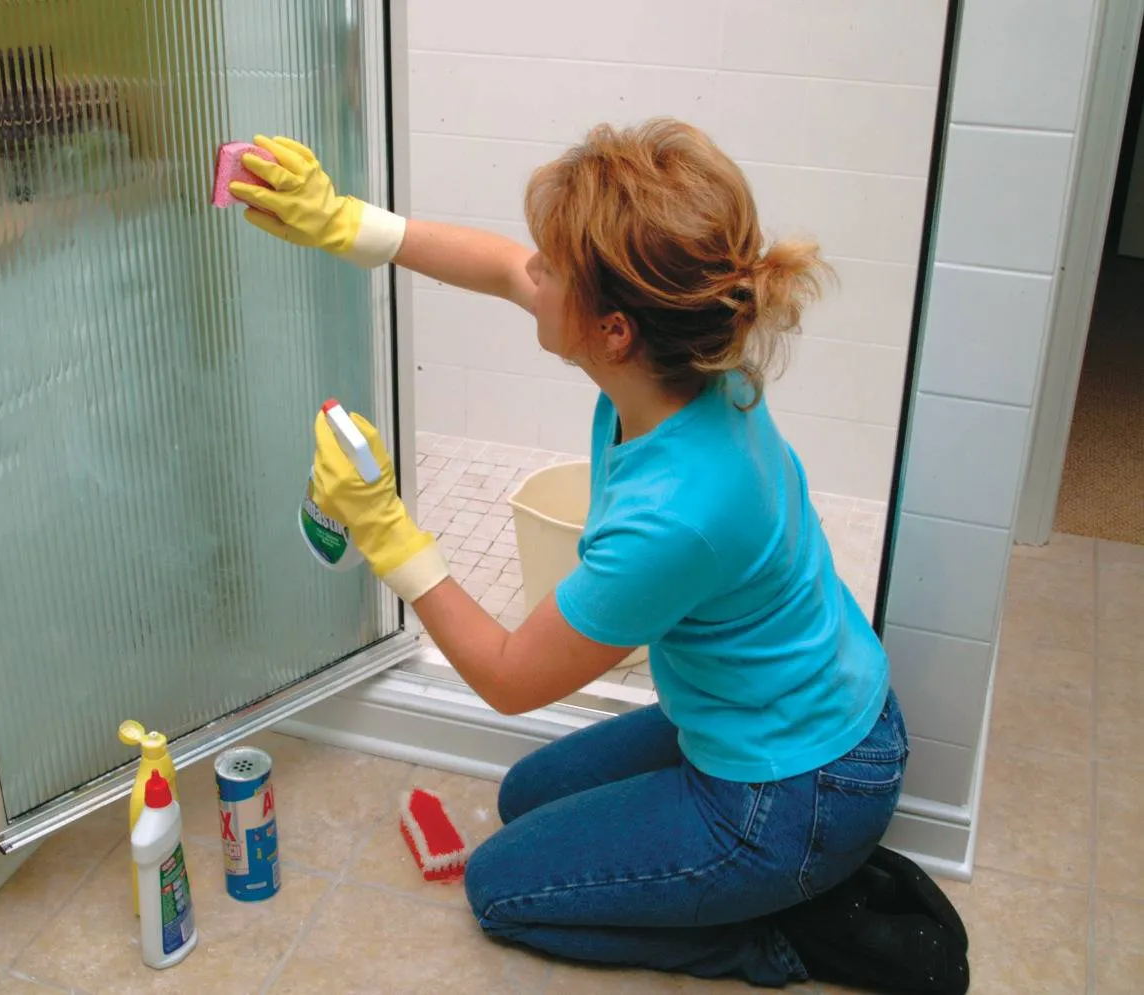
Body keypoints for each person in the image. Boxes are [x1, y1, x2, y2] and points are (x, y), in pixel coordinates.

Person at [230, 122, 968, 994]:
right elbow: (502, 266)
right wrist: (342, 222)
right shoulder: (697, 360)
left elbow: (510, 679)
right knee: (525, 798)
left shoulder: (680, 509)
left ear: (613, 330)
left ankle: (785, 935)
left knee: (503, 889)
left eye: (551, 270)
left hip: (793, 793)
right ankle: (761, 872)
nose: (526, 272)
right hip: (785, 718)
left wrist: (385, 529)